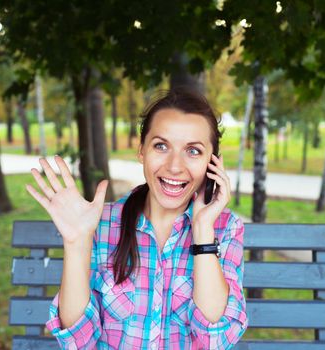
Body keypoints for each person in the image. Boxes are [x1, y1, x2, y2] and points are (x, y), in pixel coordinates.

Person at [26, 89, 248, 349]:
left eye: (193, 151)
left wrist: (202, 233)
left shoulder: (225, 228)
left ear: (213, 163)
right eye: (161, 146)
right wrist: (77, 243)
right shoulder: (101, 223)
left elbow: (215, 340)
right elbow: (78, 341)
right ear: (141, 151)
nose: (175, 166)